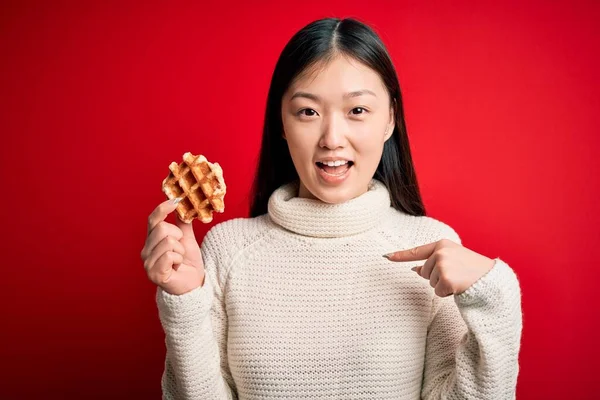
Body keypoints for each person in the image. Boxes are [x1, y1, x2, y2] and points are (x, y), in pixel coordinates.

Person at [140, 17, 523, 400]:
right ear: (283, 123)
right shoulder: (227, 250)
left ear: (390, 118)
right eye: (308, 112)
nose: (332, 139)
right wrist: (185, 306)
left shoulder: (431, 245)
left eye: (357, 110)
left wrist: (494, 294)